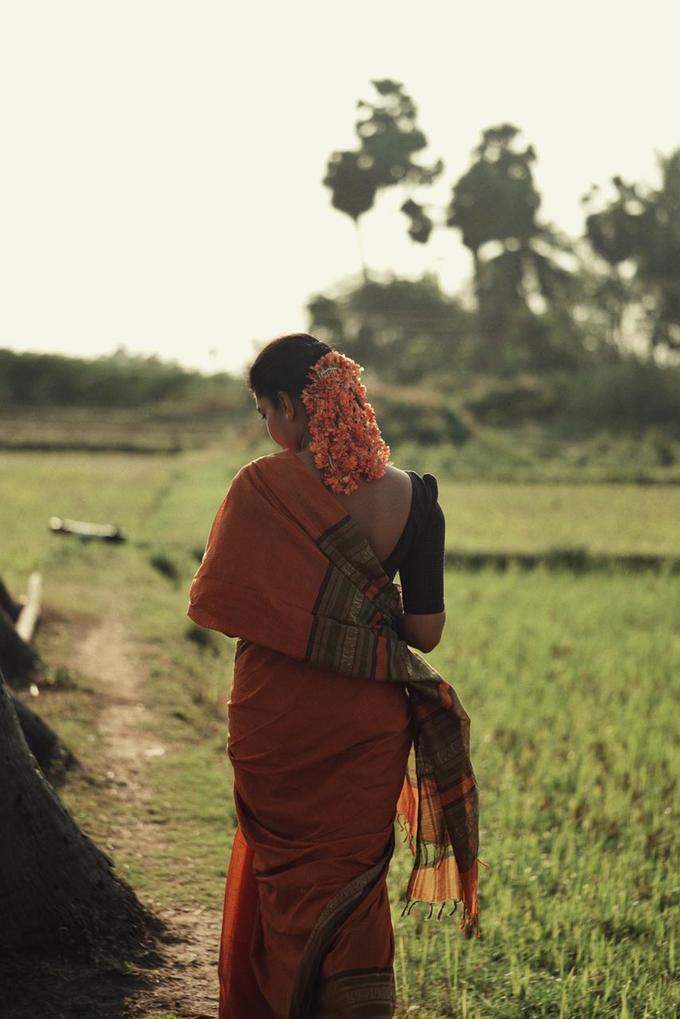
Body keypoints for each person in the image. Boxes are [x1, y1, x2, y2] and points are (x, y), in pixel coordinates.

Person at [187, 334, 485, 1019]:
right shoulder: (415, 497)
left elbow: (221, 605)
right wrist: (363, 624)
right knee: (352, 884)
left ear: (292, 406)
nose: (267, 429)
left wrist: (310, 615)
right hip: (366, 727)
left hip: (276, 719)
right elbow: (427, 630)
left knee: (283, 877)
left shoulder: (262, 488)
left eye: (265, 411)